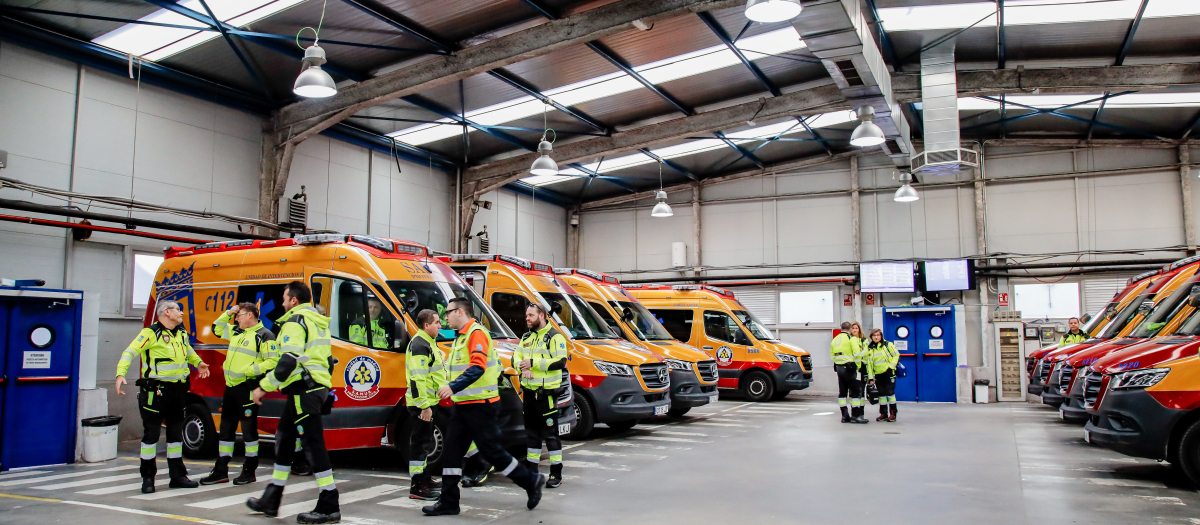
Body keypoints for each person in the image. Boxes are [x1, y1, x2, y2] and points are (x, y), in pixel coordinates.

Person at [422, 298, 545, 516]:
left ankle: (531, 481)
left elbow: (477, 367)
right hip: (464, 406)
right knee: (451, 453)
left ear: (460, 311)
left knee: (492, 452)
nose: (445, 317)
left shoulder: (476, 334)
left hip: (481, 406)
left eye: (448, 312)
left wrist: (453, 386)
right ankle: (449, 501)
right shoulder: (461, 337)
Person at [246, 281, 340, 524]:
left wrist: (261, 388)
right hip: (314, 387)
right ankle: (272, 497)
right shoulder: (317, 321)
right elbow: (328, 360)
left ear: (294, 300)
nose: (282, 302)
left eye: (284, 298)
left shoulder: (295, 321)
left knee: (313, 445)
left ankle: (329, 503)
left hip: (303, 390)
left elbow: (288, 361)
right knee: (285, 438)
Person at [115, 300, 211, 493]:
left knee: (175, 436)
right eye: (178, 310)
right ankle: (148, 478)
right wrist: (120, 373)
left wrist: (199, 363)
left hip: (178, 391)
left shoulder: (181, 333)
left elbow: (188, 352)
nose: (181, 313)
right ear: (166, 312)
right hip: (156, 392)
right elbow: (130, 352)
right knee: (151, 435)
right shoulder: (151, 333)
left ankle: (177, 476)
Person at [201, 303, 278, 486]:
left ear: (250, 315)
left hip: (247, 388)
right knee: (226, 429)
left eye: (239, 315)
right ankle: (221, 470)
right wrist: (228, 312)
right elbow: (216, 328)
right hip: (231, 388)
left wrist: (250, 370)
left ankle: (249, 469)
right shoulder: (237, 332)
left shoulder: (265, 335)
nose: (236, 319)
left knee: (248, 431)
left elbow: (273, 361)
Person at [515, 303, 568, 488]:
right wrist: (522, 369)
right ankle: (531, 472)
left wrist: (533, 363)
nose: (527, 318)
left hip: (546, 396)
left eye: (530, 315)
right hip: (529, 394)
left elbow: (561, 361)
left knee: (551, 435)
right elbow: (516, 357)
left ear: (542, 315)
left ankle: (556, 473)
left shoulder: (555, 337)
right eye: (526, 315)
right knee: (531, 435)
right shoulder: (526, 337)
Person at [406, 309, 448, 500]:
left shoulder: (427, 343)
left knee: (425, 443)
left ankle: (425, 478)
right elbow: (417, 379)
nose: (440, 326)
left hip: (429, 402)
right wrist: (424, 406)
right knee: (420, 444)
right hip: (421, 405)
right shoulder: (419, 345)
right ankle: (417, 485)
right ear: (426, 325)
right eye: (437, 322)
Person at [830, 321, 867, 424]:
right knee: (855, 393)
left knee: (842, 393)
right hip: (850, 369)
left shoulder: (835, 340)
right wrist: (858, 367)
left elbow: (832, 356)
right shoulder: (852, 339)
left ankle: (844, 415)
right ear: (850, 329)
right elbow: (857, 354)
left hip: (839, 369)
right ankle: (855, 416)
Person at [865, 328, 900, 422]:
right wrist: (871, 377)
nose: (876, 337)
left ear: (881, 336)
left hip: (888, 372)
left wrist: (891, 367)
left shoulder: (888, 345)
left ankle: (893, 414)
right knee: (881, 395)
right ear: (871, 337)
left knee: (890, 393)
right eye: (874, 335)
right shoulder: (870, 348)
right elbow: (869, 363)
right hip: (878, 374)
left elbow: (896, 355)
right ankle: (883, 414)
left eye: (878, 335)